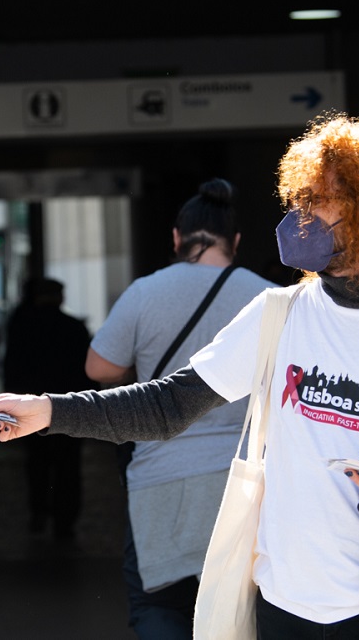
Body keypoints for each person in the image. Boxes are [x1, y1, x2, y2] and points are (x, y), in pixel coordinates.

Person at [0, 115, 359, 638]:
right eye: (300, 200)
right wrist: (47, 411)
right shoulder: (279, 313)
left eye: (319, 203)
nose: (300, 219)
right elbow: (169, 406)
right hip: (281, 606)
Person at [84, 178, 274, 638]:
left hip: (159, 477)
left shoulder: (145, 293)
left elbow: (98, 369)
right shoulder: (269, 299)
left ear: (176, 238)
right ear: (236, 242)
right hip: (244, 484)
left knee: (159, 609)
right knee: (239, 616)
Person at [4, 277, 96, 541]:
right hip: (69, 408)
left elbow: (12, 366)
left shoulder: (22, 326)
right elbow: (87, 375)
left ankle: (38, 513)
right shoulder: (74, 328)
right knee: (68, 466)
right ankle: (64, 523)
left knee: (37, 463)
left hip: (29, 408)